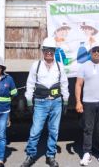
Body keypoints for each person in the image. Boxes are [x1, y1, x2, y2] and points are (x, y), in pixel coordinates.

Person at [21, 37, 69, 167]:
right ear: (43, 51)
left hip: (56, 103)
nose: (49, 52)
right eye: (46, 50)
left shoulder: (60, 66)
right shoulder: (36, 66)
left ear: (54, 51)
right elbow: (30, 84)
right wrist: (29, 101)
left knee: (54, 130)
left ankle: (50, 156)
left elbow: (64, 84)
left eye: (51, 50)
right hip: (40, 103)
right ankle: (30, 155)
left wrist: (65, 101)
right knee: (35, 130)